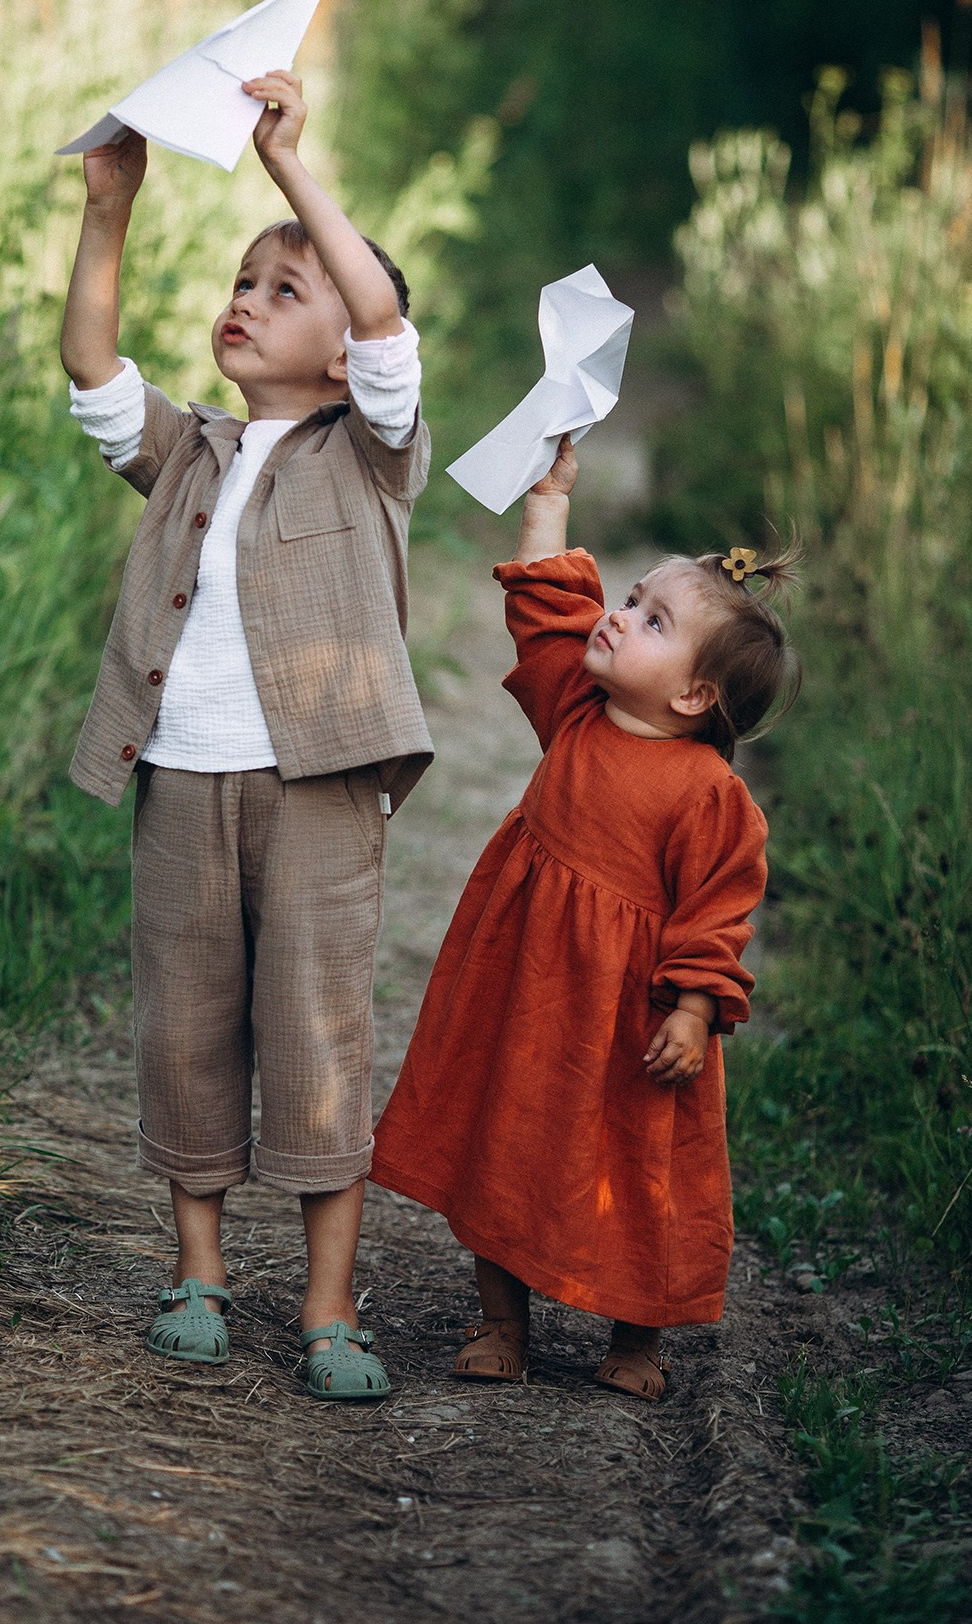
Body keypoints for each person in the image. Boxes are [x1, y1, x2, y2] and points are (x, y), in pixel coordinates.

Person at [61, 68, 433, 1400]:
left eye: (287, 288)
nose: (244, 300)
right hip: (181, 779)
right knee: (188, 1026)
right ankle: (198, 1271)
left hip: (321, 788)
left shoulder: (373, 451)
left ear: (343, 348)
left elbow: (385, 327)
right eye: (240, 280)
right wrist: (109, 212)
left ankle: (331, 1304)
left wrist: (287, 171)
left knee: (317, 1033)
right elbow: (97, 376)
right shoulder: (195, 453)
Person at [371, 434, 800, 1401]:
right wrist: (548, 498)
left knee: (638, 1163)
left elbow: (717, 911)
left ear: (694, 694)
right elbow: (548, 611)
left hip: (627, 1019)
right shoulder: (575, 708)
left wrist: (691, 1011)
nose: (618, 616)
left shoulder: (707, 796)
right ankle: (499, 1319)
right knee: (505, 1131)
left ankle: (635, 1339)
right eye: (630, 599)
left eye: (650, 620)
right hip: (525, 990)